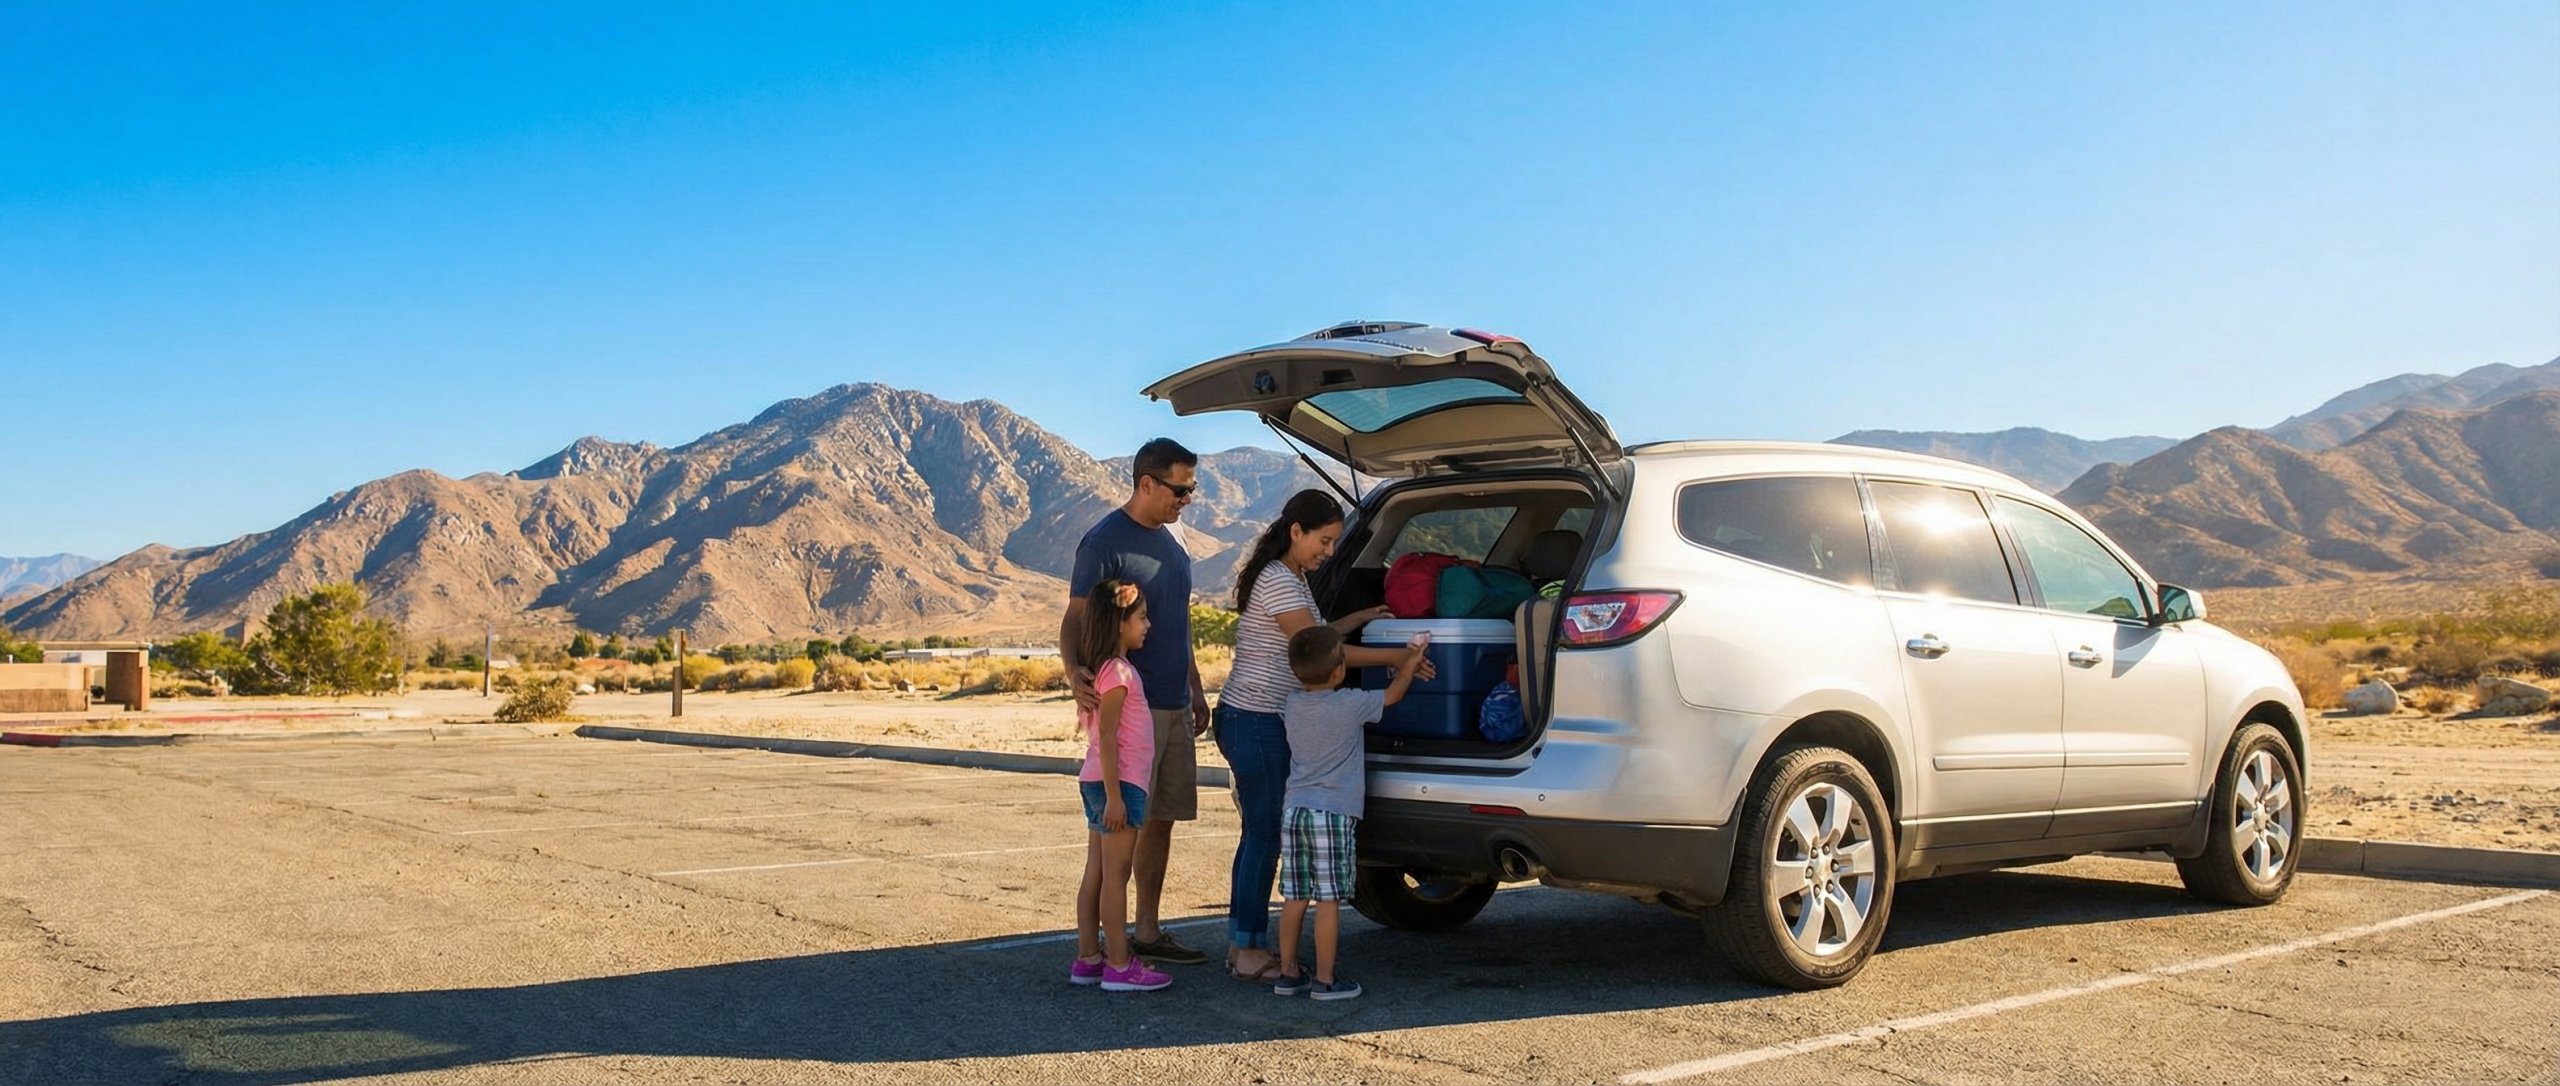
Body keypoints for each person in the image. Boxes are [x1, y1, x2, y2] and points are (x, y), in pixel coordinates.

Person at [1213, 489, 1432, 982]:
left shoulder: (1290, 577)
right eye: (1325, 540)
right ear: (1296, 531)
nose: (1330, 552)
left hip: (1261, 720)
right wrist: (1400, 656)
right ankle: (1246, 949)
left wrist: (1359, 619)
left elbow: (1317, 636)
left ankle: (1244, 945)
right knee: (1263, 836)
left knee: (1264, 833)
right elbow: (1324, 653)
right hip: (1256, 719)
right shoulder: (1281, 582)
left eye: (1336, 543)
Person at [1060, 438, 1211, 966]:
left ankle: (1146, 929)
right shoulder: (1103, 542)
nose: (1187, 498)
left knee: (1161, 817)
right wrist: (1072, 670)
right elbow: (1076, 618)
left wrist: (1193, 684)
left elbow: (1180, 621)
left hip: (1173, 700)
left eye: (1192, 488)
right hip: (1129, 709)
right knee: (1122, 827)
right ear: (1147, 483)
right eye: (1180, 488)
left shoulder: (1175, 543)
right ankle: (1112, 947)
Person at [1272, 625, 1425, 1001]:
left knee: (1294, 896)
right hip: (1333, 813)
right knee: (1328, 899)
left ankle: (1288, 973)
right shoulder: (1351, 703)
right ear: (1340, 670)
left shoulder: (1291, 704)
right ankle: (1325, 980)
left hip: (1295, 811)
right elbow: (1394, 694)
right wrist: (1410, 662)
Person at [1068, 579, 1172, 993]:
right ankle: (1118, 964)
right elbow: (1107, 737)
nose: (1148, 625)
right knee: (1116, 875)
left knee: (1098, 869)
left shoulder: (1104, 671)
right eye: (1142, 617)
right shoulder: (1120, 673)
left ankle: (1088, 958)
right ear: (1119, 622)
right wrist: (1115, 796)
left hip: (1101, 782)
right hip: (1117, 785)